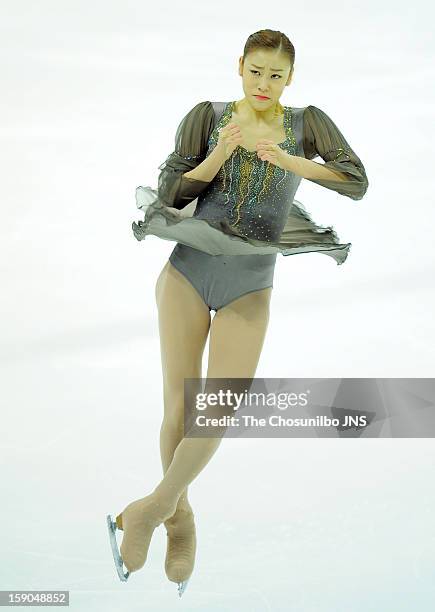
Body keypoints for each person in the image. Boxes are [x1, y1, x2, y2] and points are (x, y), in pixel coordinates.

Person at [107, 29, 369, 596]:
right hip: (187, 270)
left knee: (219, 407)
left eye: (276, 74)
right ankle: (181, 518)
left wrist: (296, 163)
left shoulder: (308, 123)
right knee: (179, 405)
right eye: (256, 71)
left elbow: (356, 182)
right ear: (240, 68)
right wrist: (221, 154)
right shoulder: (206, 117)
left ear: (290, 78)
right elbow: (171, 194)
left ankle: (152, 508)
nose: (264, 84)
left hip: (250, 283)